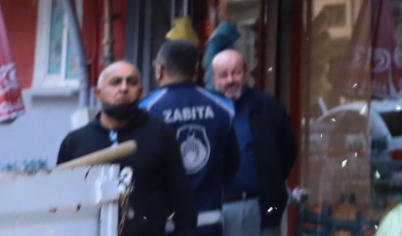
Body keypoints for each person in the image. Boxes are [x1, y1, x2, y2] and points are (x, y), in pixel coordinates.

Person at [58, 59, 198, 236]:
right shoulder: (75, 142)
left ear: (139, 92)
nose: (124, 88)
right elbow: (61, 202)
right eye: (115, 82)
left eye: (131, 82)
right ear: (97, 93)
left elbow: (182, 197)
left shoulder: (160, 134)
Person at [142, 37, 242, 230]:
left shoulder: (145, 110)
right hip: (208, 218)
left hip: (163, 221)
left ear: (160, 70)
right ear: (196, 70)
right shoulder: (222, 107)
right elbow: (233, 163)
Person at [211, 46, 300, 236]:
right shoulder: (207, 110)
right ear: (214, 79)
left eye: (236, 72)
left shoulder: (269, 106)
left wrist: (271, 180)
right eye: (223, 75)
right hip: (217, 208)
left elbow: (288, 151)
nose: (230, 80)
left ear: (246, 73)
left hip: (262, 206)